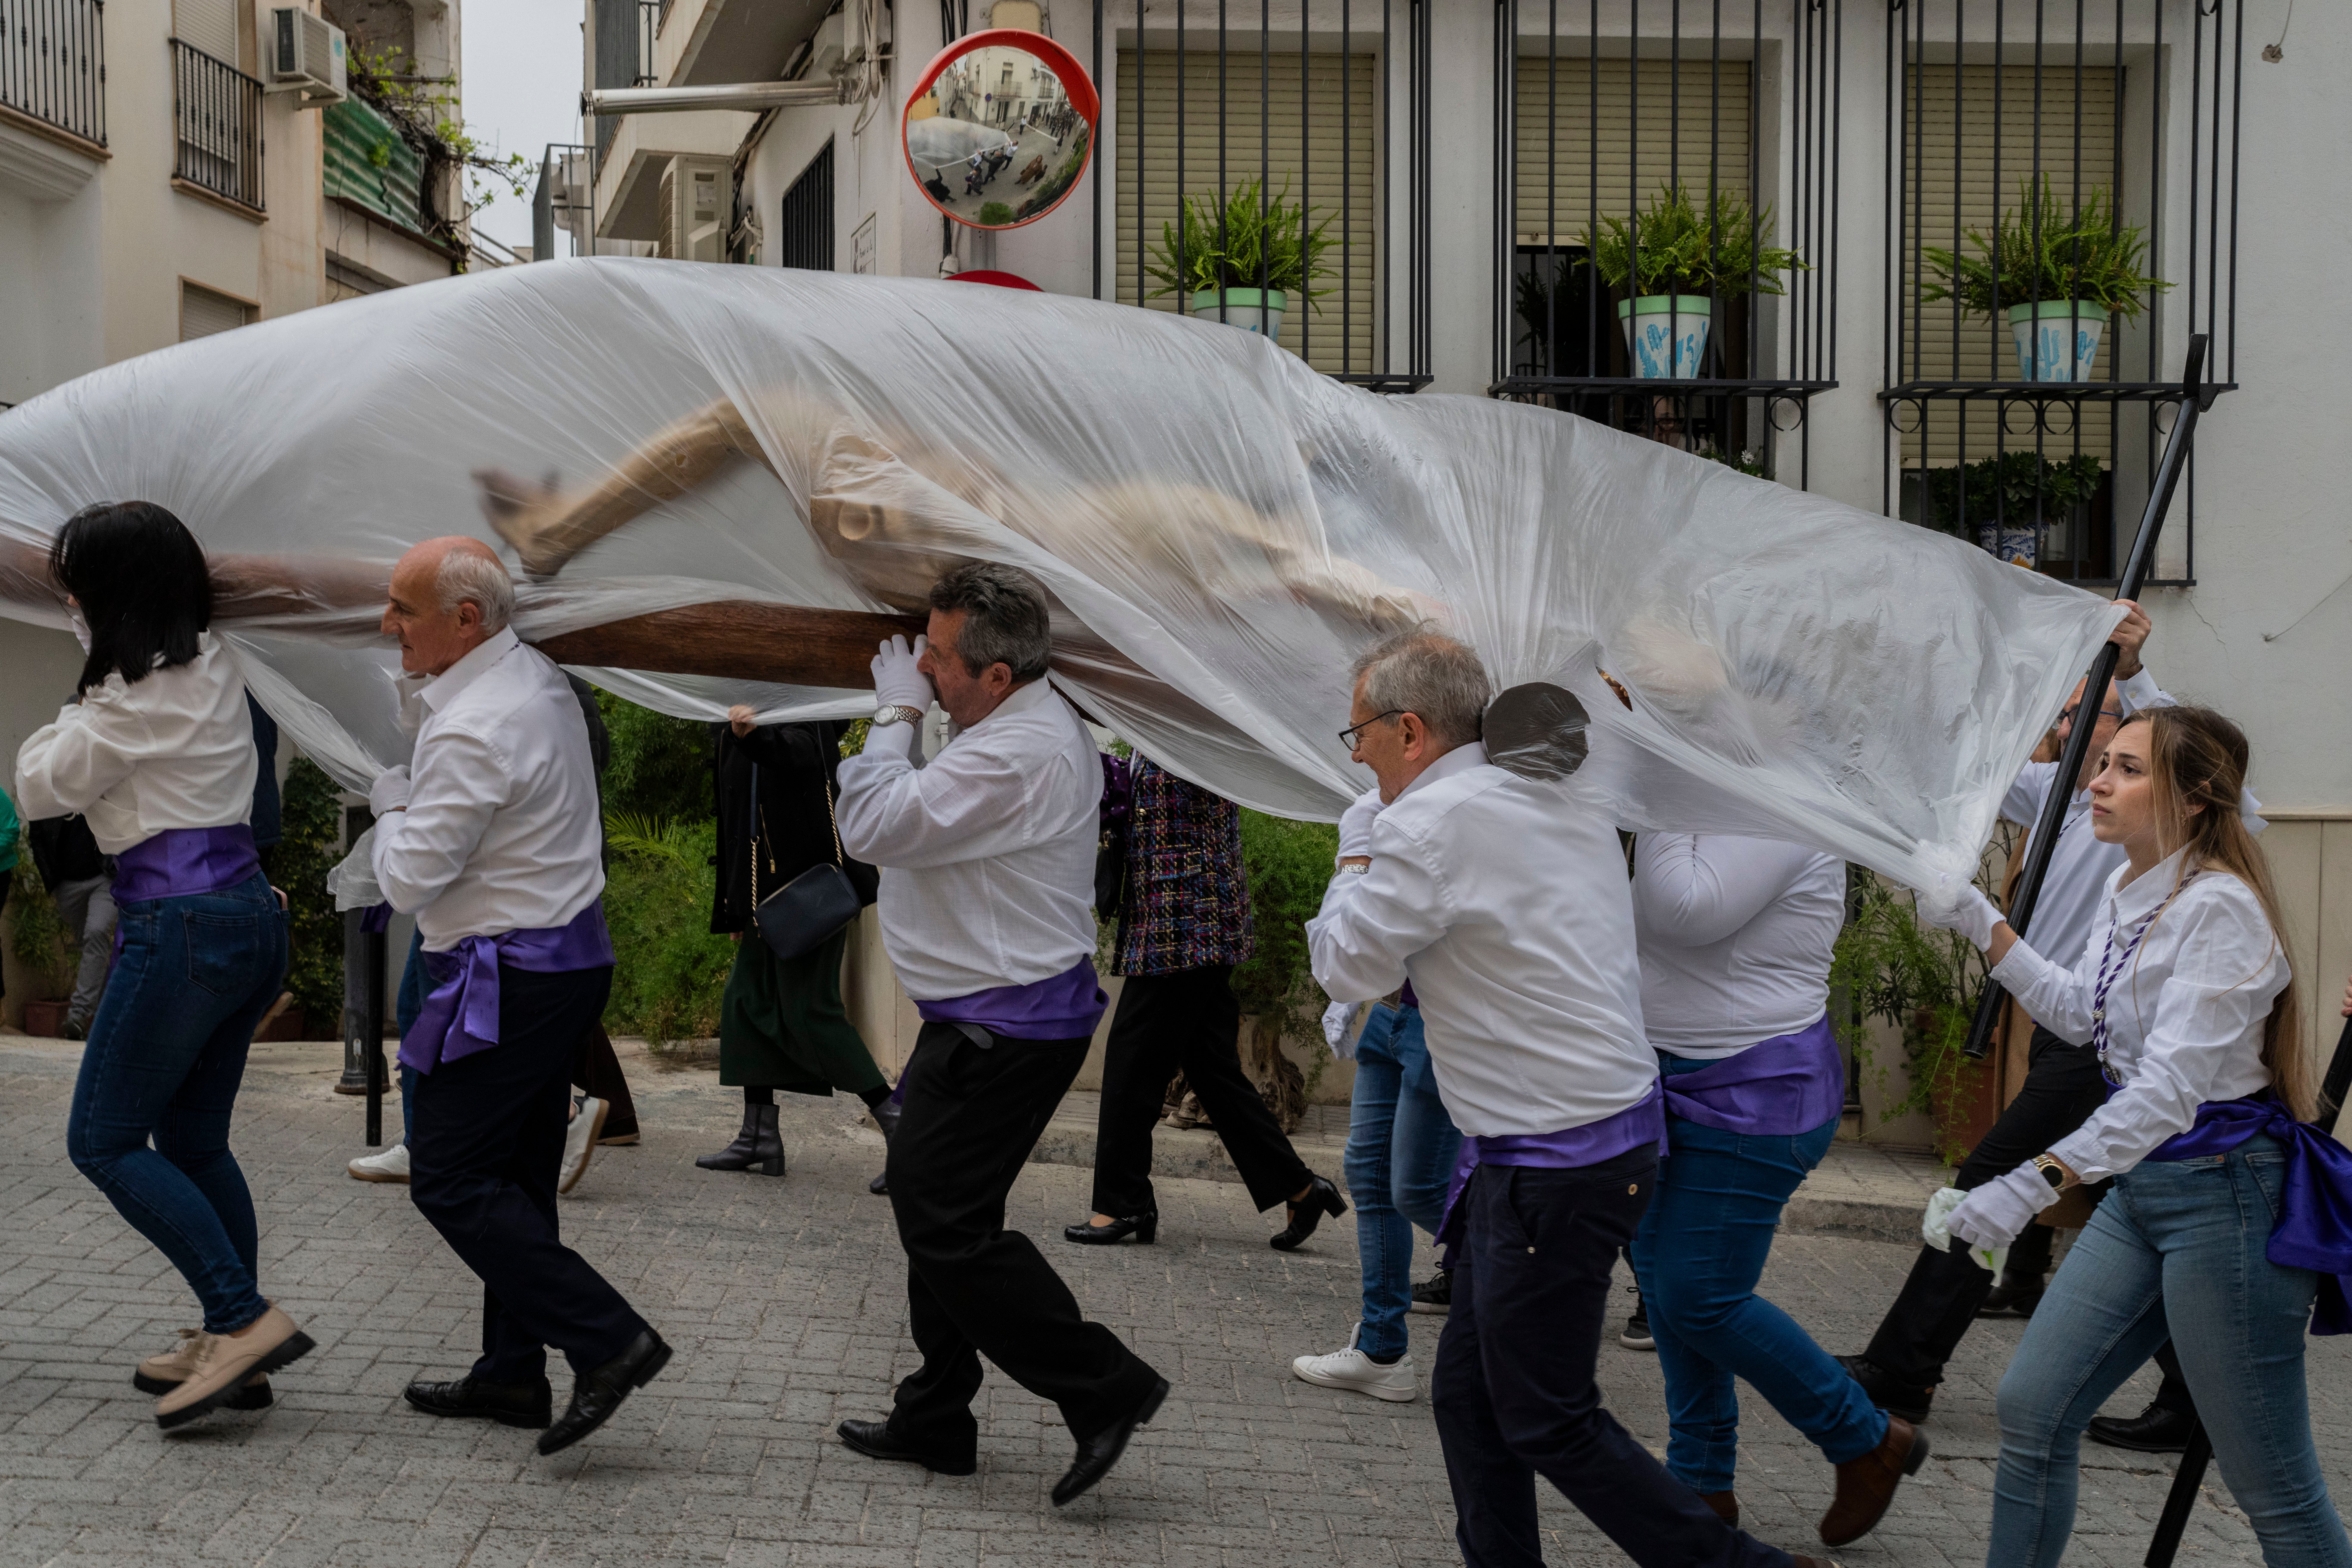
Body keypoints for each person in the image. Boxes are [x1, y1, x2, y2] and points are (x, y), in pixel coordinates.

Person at [1305, 629, 1831, 1568]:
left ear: (1411, 730)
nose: (1357, 756)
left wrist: (1356, 849)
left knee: (1547, 1415)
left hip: (1554, 1160)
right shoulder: (1555, 783)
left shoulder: (1425, 825)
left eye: (1360, 735)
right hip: (1570, 1143)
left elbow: (1347, 964)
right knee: (1469, 1395)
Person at [1913, 705, 2351, 1568]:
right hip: (2145, 1190)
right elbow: (2082, 1014)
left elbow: (2165, 1091)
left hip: (2226, 1200)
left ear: (2193, 797)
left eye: (2126, 767)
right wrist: (1976, 917)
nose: (2097, 781)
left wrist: (2031, 1180)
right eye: (2101, 762)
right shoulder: (2130, 887)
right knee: (2032, 1407)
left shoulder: (2219, 908)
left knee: (2273, 1489)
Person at [830, 562, 1168, 1508]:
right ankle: (936, 1413)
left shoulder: (1019, 750)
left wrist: (893, 716)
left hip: (1004, 1027)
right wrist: (919, 704)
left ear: (996, 674)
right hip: (990, 1016)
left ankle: (1104, 1385)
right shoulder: (1012, 723)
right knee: (938, 1210)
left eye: (938, 657)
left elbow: (870, 824)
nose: (923, 667)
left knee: (943, 1220)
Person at [1840, 603, 2193, 1430]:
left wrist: (2136, 675)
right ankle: (2191, 1394)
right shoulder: (2061, 796)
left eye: (2091, 720)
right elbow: (1961, 767)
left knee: (1989, 1179)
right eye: (2064, 717)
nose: (2067, 733)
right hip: (2067, 1022)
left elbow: (2227, 794)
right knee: (2136, 1211)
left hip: (2102, 1044)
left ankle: (1903, 1367)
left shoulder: (2163, 826)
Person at [371, 535, 668, 1455]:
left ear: (466, 619)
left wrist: (390, 806)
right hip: (562, 961)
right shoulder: (531, 675)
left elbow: (409, 880)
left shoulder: (475, 725)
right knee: (515, 1171)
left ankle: (607, 1336)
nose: (385, 623)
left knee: (450, 1175)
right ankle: (510, 1370)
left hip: (509, 975)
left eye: (403, 609)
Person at [15, 500, 310, 1428]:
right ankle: (235, 1346)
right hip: (250, 916)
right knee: (195, 1140)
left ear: (110, 597)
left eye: (77, 587)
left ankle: (242, 1318)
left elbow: (36, 785)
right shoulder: (216, 660)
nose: (69, 600)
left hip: (178, 928)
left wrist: (78, 691)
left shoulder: (123, 704)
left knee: (102, 1141)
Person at [1624, 833, 1923, 1547]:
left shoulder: (1771, 808)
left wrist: (1661, 797)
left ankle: (1865, 1436)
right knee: (1662, 1283)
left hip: (1754, 1089)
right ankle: (1700, 1477)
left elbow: (1683, 909)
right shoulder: (1700, 802)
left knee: (1699, 1294)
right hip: (1667, 1074)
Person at [350, 672, 639, 1189]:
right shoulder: (545, 686)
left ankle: (452, 1140)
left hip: (500, 895)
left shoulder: (496, 703)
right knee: (457, 1010)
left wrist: (395, 810)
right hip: (542, 894)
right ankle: (538, 1122)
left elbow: (412, 876)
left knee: (450, 1014)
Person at [1066, 754, 1346, 1250]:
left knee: (1132, 1059)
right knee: (1210, 1068)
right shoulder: (1155, 731)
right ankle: (1300, 1187)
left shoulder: (1192, 728)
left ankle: (1123, 1201)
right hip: (1178, 920)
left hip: (1189, 922)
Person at [699, 704, 890, 1184]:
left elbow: (802, 753)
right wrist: (737, 905)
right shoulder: (732, 714)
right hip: (766, 898)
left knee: (809, 1010)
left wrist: (752, 735)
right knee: (746, 1001)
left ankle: (903, 1128)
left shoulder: (799, 707)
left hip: (808, 893)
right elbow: (737, 815)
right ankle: (758, 1134)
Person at [1288, 984, 1462, 1401]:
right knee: (1369, 1174)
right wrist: (1352, 993)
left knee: (1419, 1190)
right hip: (1390, 1007)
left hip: (1445, 1016)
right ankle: (1380, 1350)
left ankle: (1537, 1268)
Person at [28, 801, 113, 1040]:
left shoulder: (98, 785)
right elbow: (38, 836)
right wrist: (52, 880)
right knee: (91, 949)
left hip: (104, 878)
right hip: (67, 886)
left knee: (96, 933)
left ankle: (78, 1015)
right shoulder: (48, 794)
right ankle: (106, 1017)